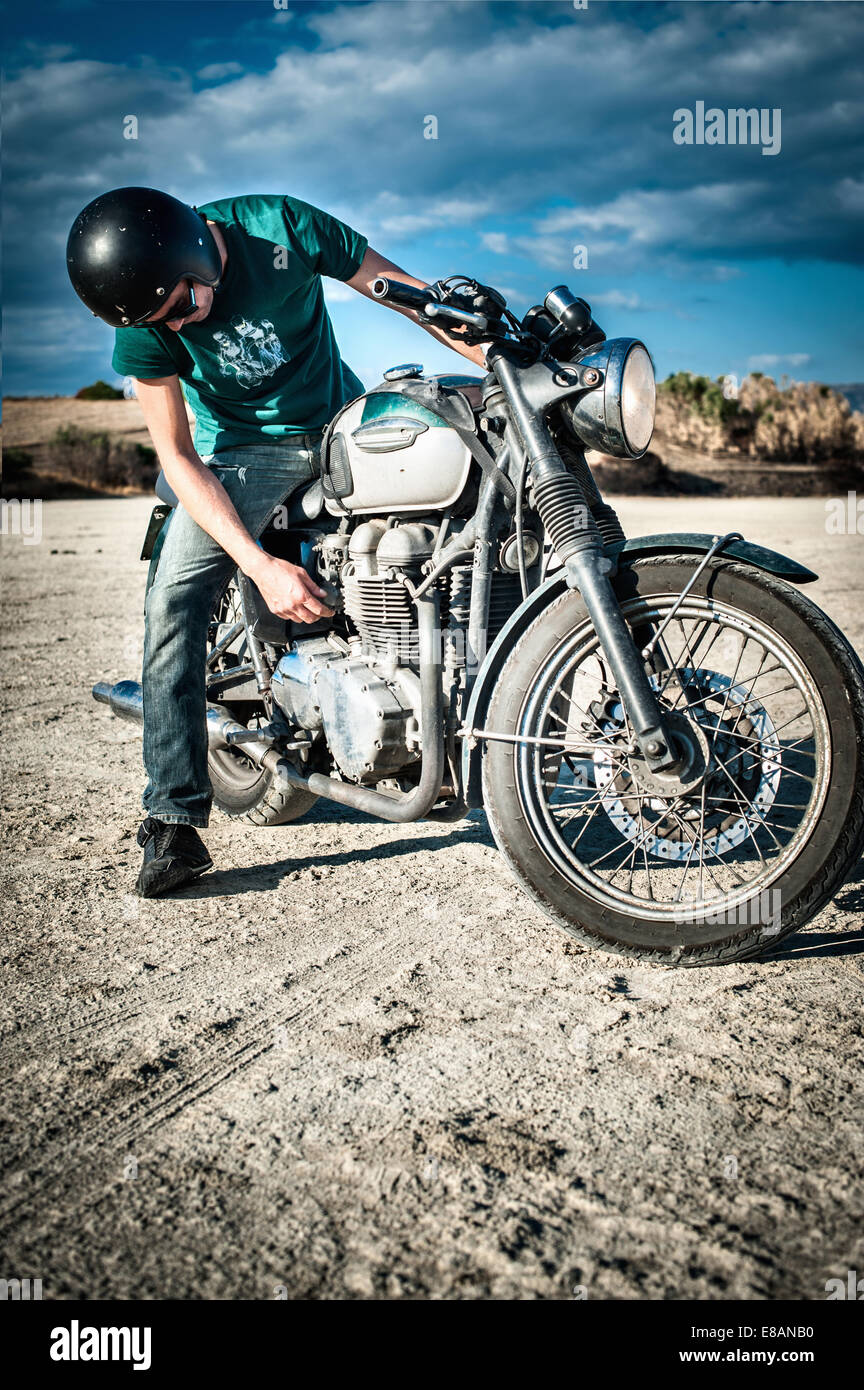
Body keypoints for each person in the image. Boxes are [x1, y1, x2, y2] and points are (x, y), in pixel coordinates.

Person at [66, 186, 484, 897]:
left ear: (195, 250)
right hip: (239, 452)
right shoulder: (139, 319)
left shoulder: (279, 227)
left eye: (183, 304)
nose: (179, 324)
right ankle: (171, 819)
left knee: (457, 516)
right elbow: (177, 456)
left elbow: (406, 295)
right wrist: (258, 566)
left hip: (337, 419)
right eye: (161, 321)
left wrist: (493, 350)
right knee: (173, 601)